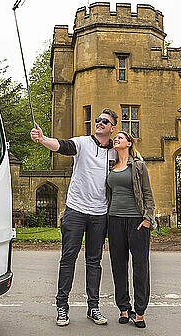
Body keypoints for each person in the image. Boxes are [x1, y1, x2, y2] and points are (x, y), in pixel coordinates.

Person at [30, 108, 118, 326]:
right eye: (97, 120)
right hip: (76, 210)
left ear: (112, 128)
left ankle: (93, 307)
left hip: (100, 214)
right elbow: (61, 145)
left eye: (104, 121)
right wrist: (42, 139)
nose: (99, 123)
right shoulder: (82, 143)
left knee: (94, 262)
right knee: (68, 258)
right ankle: (62, 307)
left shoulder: (115, 152)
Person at [106, 130, 156, 329]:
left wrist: (147, 219)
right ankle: (124, 309)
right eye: (115, 138)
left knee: (140, 267)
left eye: (120, 137)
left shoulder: (138, 166)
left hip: (137, 221)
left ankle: (140, 311)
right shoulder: (111, 166)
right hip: (115, 221)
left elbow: (148, 194)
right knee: (118, 266)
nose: (116, 139)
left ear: (129, 143)